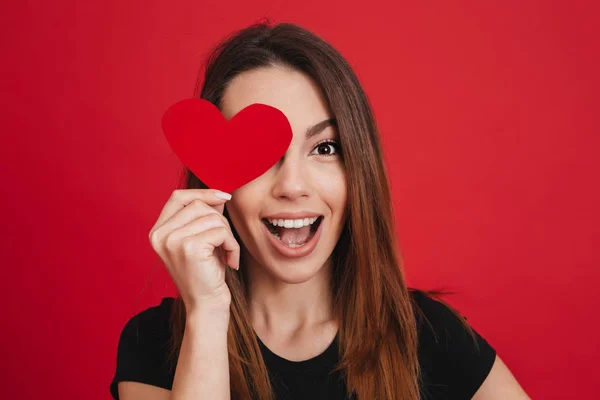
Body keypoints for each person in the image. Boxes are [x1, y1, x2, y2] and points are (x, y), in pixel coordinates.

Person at [110, 21, 531, 400]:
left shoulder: (429, 335)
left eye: (325, 148)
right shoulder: (154, 344)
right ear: (213, 180)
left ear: (357, 171)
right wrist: (207, 312)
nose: (292, 186)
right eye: (260, 154)